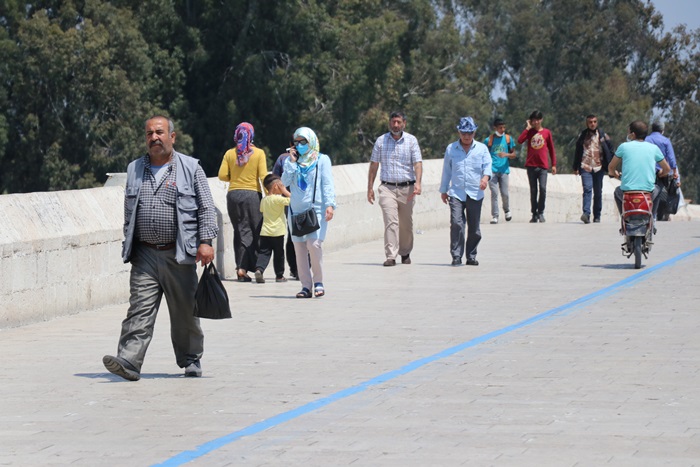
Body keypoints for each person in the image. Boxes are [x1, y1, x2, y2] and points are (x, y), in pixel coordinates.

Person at [102, 116, 218, 381]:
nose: (154, 138)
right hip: (144, 254)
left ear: (172, 137)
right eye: (149, 134)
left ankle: (191, 359)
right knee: (139, 309)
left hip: (179, 253)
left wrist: (206, 242)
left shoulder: (191, 167)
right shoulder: (134, 169)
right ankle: (129, 361)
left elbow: (206, 207)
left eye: (159, 132)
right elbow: (129, 213)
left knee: (184, 312)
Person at [282, 127, 336, 298]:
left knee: (314, 245)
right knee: (299, 249)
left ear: (311, 141)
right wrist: (291, 162)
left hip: (316, 209)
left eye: (303, 141)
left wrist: (330, 205)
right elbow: (284, 182)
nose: (299, 145)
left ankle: (318, 281)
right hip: (295, 211)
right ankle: (305, 286)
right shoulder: (291, 162)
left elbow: (327, 183)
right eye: (296, 142)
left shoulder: (322, 160)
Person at [367, 111, 423, 266]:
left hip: (407, 188)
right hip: (387, 187)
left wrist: (418, 183)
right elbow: (374, 165)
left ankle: (405, 252)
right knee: (391, 222)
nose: (396, 125)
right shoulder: (381, 141)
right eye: (393, 122)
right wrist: (370, 188)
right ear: (389, 123)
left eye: (398, 122)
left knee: (406, 224)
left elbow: (417, 163)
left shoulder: (411, 141)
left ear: (404, 123)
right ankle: (391, 256)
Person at [218, 122, 268, 282]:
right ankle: (257, 266)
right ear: (251, 135)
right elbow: (263, 176)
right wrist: (270, 196)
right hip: (252, 196)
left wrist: (236, 178)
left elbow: (222, 176)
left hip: (233, 195)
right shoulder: (259, 153)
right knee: (256, 231)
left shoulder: (229, 154)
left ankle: (241, 268)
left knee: (240, 231)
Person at [439, 117, 492, 266]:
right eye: (463, 133)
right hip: (456, 192)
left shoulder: (481, 149)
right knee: (457, 223)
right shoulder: (451, 149)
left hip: (475, 192)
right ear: (459, 132)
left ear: (474, 132)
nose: (466, 136)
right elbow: (447, 171)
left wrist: (485, 179)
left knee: (474, 228)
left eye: (469, 133)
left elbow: (487, 166)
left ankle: (471, 255)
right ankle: (456, 255)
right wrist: (444, 190)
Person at [608, 120, 671, 218]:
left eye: (628, 132)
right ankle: (652, 218)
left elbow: (611, 167)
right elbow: (667, 169)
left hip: (627, 191)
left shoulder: (623, 147)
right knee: (658, 190)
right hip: (648, 191)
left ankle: (624, 217)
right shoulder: (654, 148)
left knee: (617, 192)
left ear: (632, 134)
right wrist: (661, 174)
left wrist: (615, 174)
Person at [573, 114, 614, 224]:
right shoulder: (582, 135)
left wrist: (611, 166)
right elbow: (577, 151)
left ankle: (597, 216)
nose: (592, 124)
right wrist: (575, 167)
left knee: (598, 192)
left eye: (594, 122)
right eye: (590, 122)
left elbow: (610, 150)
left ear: (597, 122)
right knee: (587, 189)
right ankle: (586, 213)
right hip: (585, 166)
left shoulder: (603, 135)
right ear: (587, 123)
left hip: (599, 167)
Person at [517, 110, 557, 223]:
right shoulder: (529, 132)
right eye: (533, 120)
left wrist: (553, 164)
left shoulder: (547, 133)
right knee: (533, 190)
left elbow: (552, 149)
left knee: (543, 189)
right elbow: (520, 141)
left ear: (541, 120)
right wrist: (527, 128)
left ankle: (541, 212)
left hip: (543, 166)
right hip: (531, 165)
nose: (535, 122)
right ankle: (534, 213)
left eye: (537, 120)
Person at [254, 174, 291, 284]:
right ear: (276, 186)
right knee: (279, 254)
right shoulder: (278, 199)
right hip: (278, 232)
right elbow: (293, 201)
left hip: (265, 231)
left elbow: (262, 210)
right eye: (281, 185)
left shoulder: (264, 200)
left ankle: (259, 269)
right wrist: (285, 191)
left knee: (264, 252)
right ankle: (279, 276)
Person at [646, 122, 681, 220]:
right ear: (662, 130)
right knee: (659, 193)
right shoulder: (666, 141)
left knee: (647, 192)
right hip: (662, 172)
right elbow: (671, 158)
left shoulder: (646, 139)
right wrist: (674, 172)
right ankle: (654, 215)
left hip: (648, 171)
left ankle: (648, 213)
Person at [484, 118, 516, 224]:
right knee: (494, 193)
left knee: (504, 193)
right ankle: (495, 216)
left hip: (504, 170)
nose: (502, 129)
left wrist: (506, 155)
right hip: (492, 170)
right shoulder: (489, 140)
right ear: (495, 128)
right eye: (500, 127)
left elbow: (513, 154)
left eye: (504, 127)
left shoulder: (508, 139)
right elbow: (483, 155)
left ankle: (506, 210)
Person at [272, 151, 298, 279]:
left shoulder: (313, 158)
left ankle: (302, 267)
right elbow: (276, 179)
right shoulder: (283, 159)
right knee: (293, 233)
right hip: (289, 201)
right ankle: (295, 268)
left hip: (307, 201)